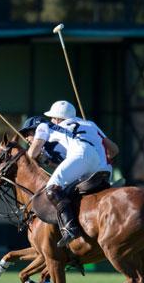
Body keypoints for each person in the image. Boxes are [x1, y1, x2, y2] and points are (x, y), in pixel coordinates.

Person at [27, 100, 119, 247]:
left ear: (57, 118)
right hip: (100, 164)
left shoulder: (45, 126)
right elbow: (114, 150)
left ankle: (70, 228)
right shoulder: (90, 124)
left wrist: (36, 152)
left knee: (52, 188)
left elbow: (32, 154)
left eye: (52, 117)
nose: (51, 120)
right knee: (71, 188)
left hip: (79, 154)